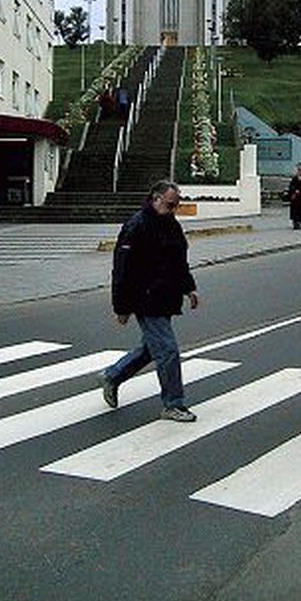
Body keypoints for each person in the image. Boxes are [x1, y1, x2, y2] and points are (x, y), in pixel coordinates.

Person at [100, 180, 199, 422]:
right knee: (167, 350)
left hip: (166, 297)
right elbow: (121, 270)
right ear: (155, 199)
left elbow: (179, 261)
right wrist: (121, 307)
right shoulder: (136, 226)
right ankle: (173, 404)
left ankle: (113, 375)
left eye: (176, 205)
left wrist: (189, 288)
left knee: (150, 348)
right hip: (145, 298)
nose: (173, 209)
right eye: (169, 204)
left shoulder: (171, 225)